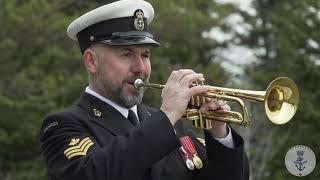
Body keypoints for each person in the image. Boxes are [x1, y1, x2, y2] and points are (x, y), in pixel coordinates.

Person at [39, 0, 249, 180]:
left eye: (145, 55)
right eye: (126, 54)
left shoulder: (171, 125)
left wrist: (219, 133)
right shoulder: (63, 126)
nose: (140, 68)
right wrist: (167, 115)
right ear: (91, 62)